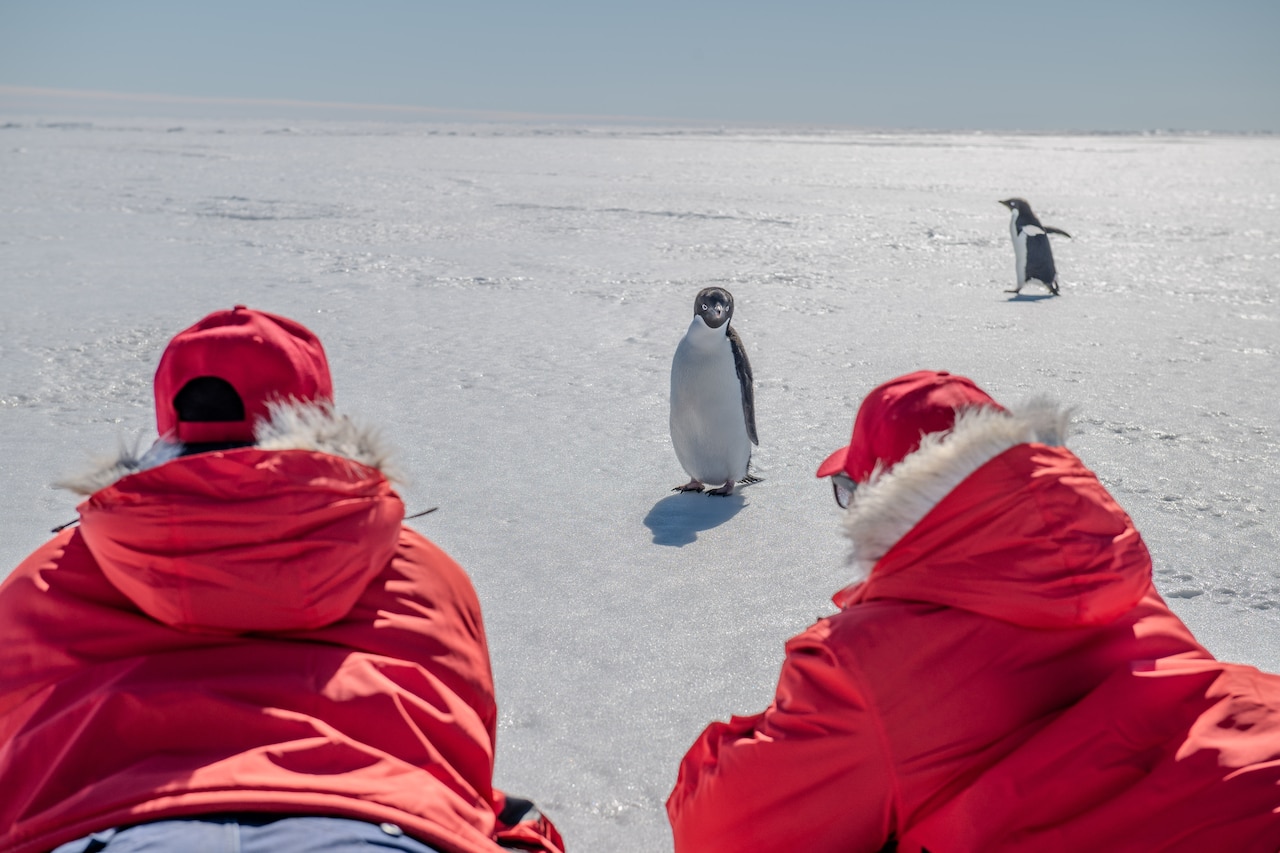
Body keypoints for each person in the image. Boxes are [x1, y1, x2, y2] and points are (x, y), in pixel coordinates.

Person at [0, 306, 563, 853]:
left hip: (103, 825)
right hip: (381, 821)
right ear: (317, 412)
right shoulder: (423, 572)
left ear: (169, 415)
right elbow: (463, 754)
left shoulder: (47, 576)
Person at [667, 370, 1280, 852]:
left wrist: (775, 723)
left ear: (889, 500)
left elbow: (718, 831)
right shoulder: (1116, 581)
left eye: (848, 492)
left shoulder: (867, 670)